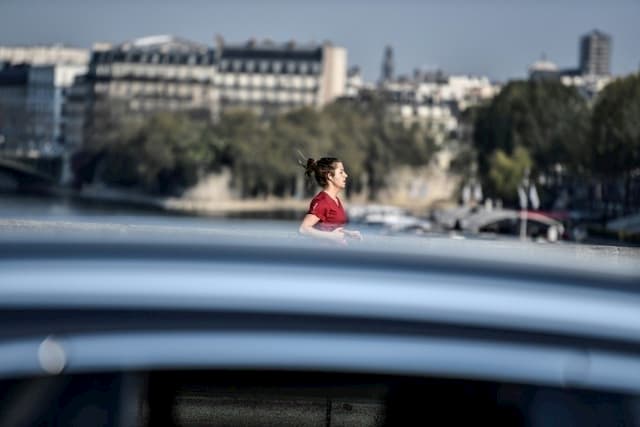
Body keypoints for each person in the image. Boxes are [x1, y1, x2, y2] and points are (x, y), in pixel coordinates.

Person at [299, 157, 362, 244]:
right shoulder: (322, 201)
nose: (346, 175)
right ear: (329, 176)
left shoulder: (335, 200)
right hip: (325, 256)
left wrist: (348, 234)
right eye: (341, 172)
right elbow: (303, 229)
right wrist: (332, 236)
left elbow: (330, 229)